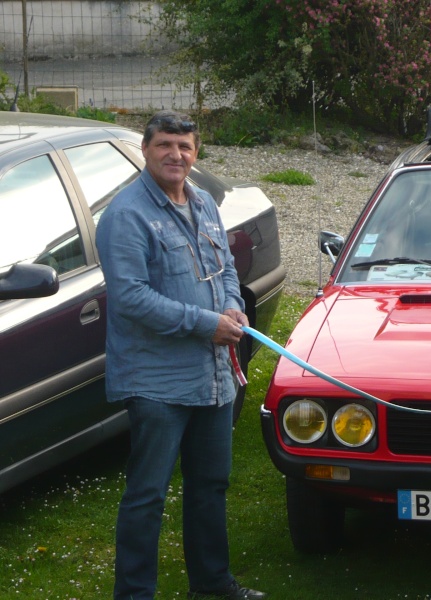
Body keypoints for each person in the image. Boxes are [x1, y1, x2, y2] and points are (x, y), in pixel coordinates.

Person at [96, 110, 266, 600]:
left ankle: (211, 585)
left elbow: (226, 271)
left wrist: (233, 307)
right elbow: (130, 298)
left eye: (185, 147)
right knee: (147, 495)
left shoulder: (205, 203)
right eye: (165, 145)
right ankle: (134, 594)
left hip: (212, 377)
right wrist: (206, 325)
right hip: (156, 382)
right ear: (146, 150)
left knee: (210, 484)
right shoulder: (126, 215)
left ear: (196, 153)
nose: (176, 155)